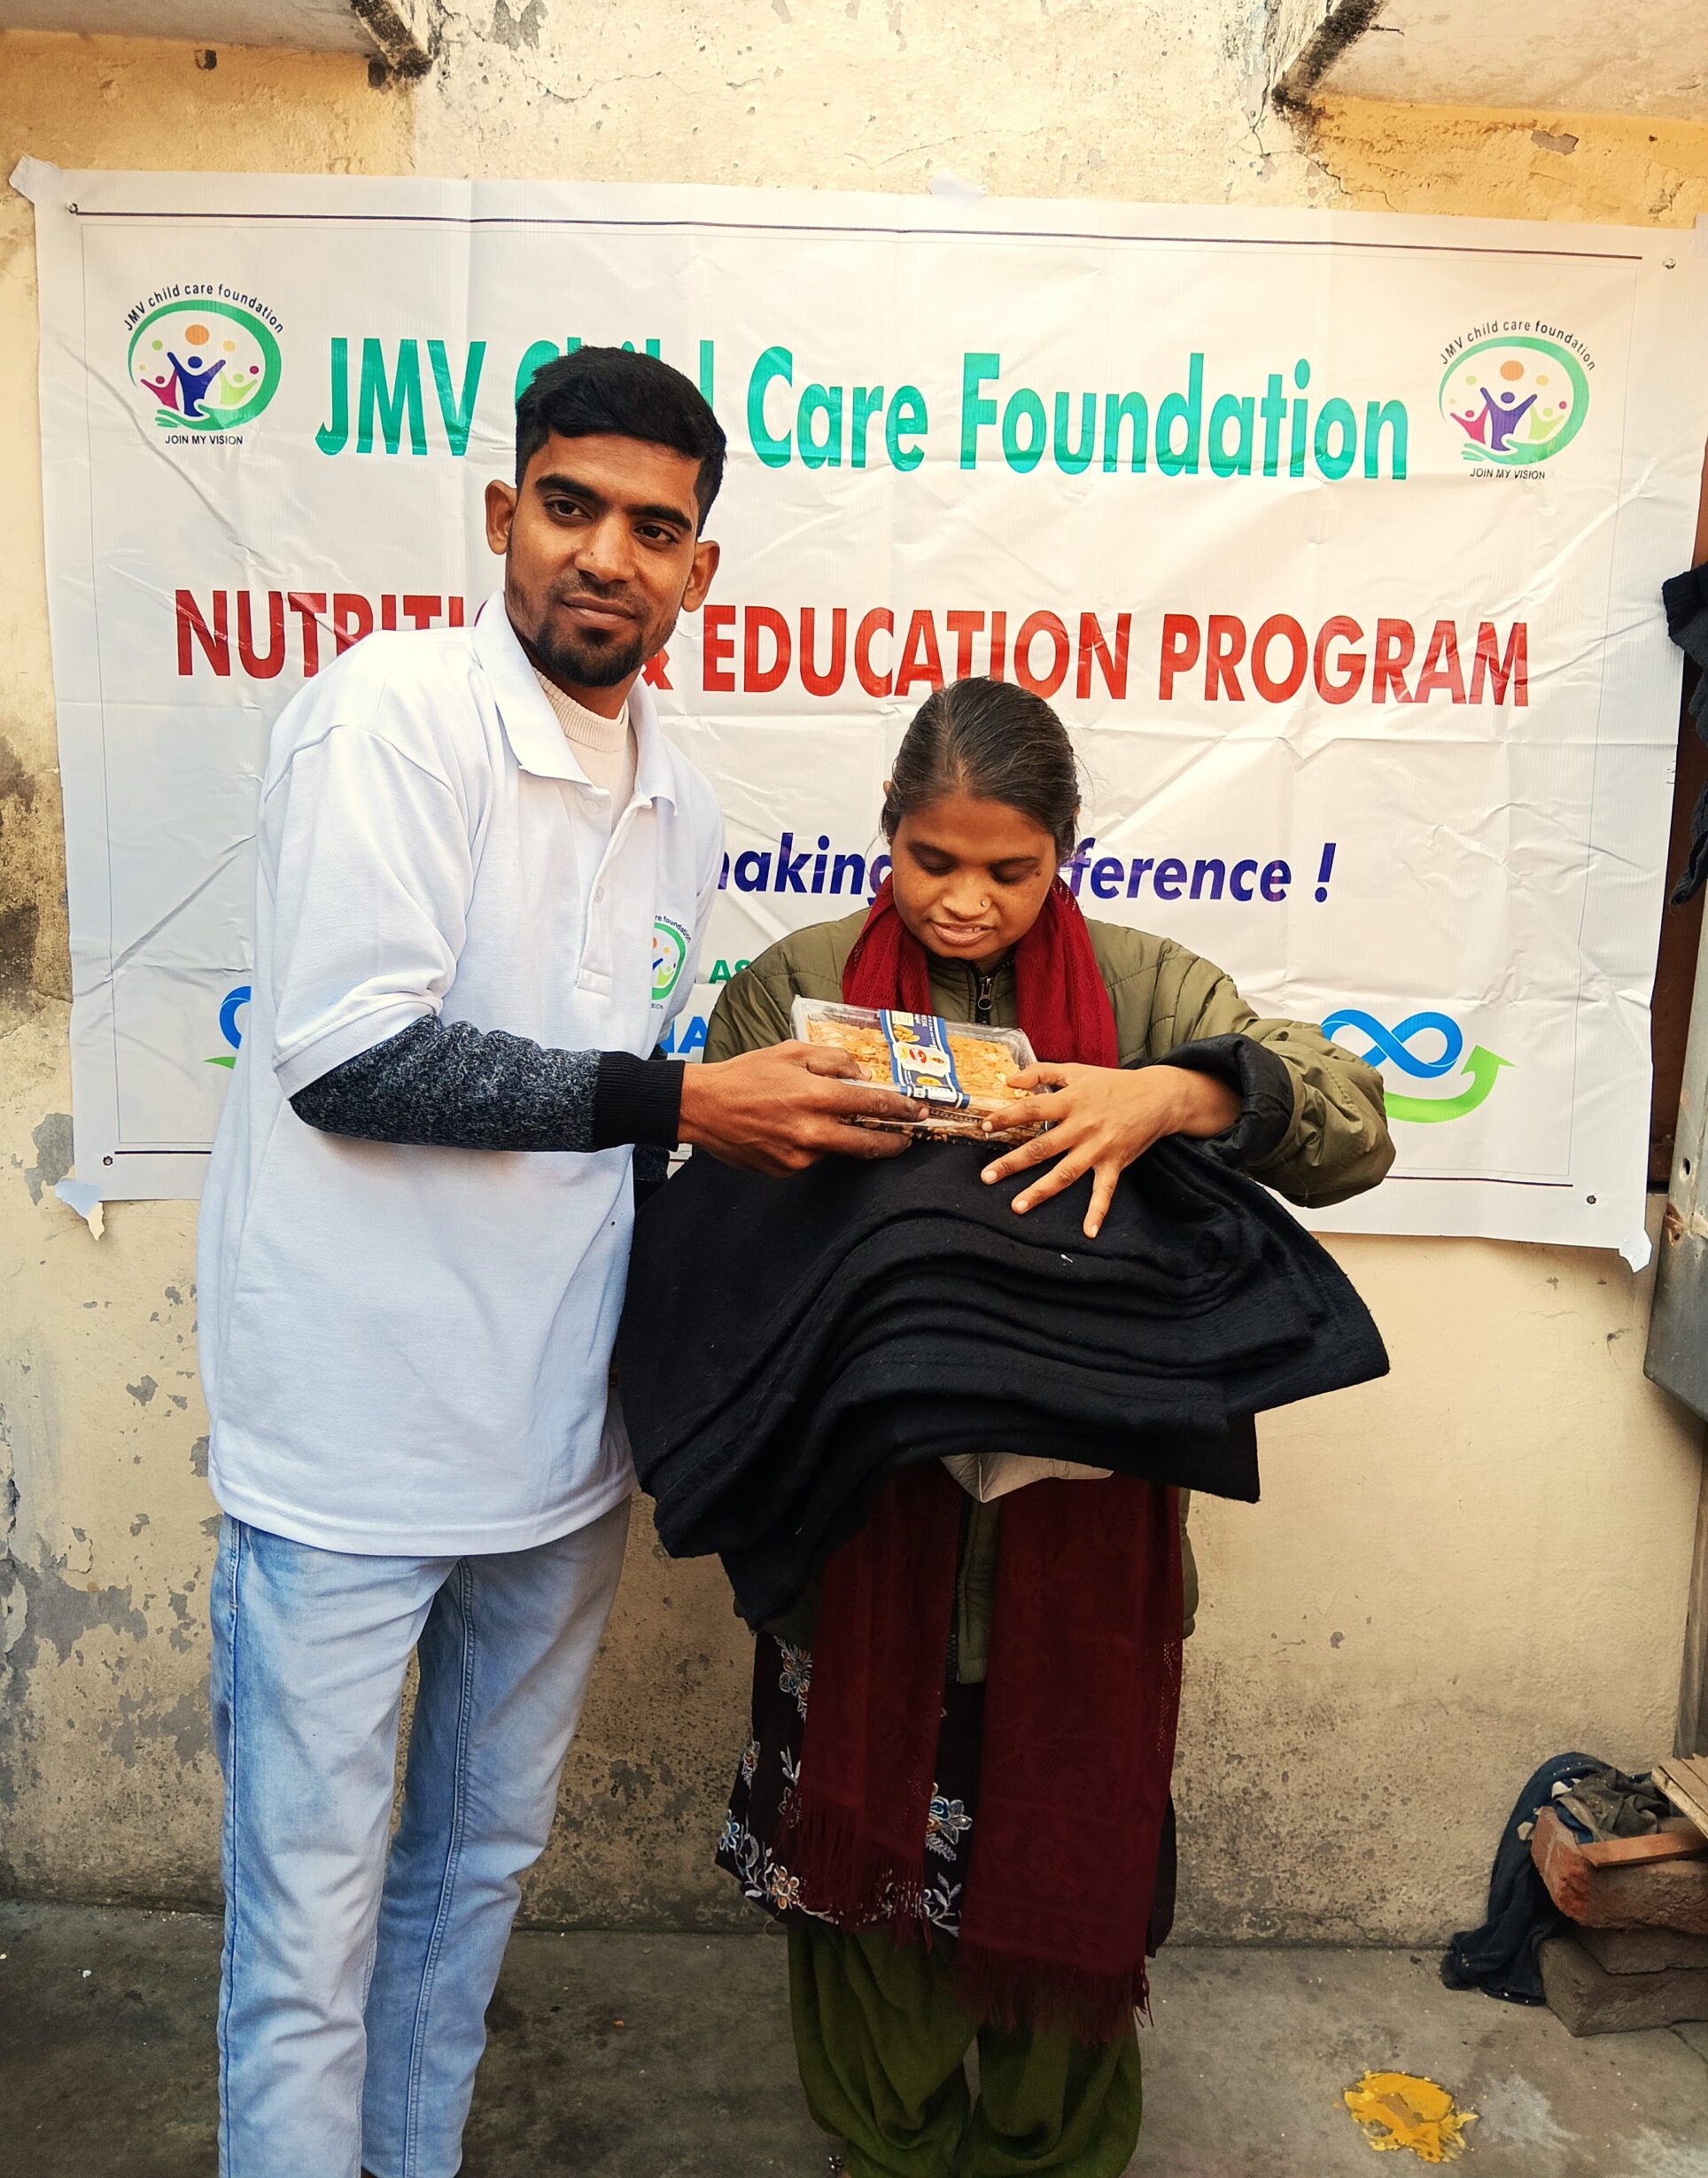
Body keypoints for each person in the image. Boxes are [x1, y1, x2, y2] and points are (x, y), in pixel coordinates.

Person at [196, 346, 920, 2178]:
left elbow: (629, 1111)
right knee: (313, 1913)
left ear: (701, 572)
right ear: (503, 516)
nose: (607, 554)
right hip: (349, 1442)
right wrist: (686, 1091)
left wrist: (842, 1117)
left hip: (549, 1441)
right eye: (573, 507)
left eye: (655, 527)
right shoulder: (392, 716)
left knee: (473, 1874)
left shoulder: (677, 795)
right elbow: (353, 1055)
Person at [704, 677, 1394, 2178]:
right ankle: (882, 2146)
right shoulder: (795, 983)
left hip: (1083, 1560)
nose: (964, 904)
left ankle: (1044, 2157)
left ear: (1066, 852)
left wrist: (1179, 1097)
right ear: (884, 837)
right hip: (857, 1542)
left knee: (1064, 1884)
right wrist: (821, 1165)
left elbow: (1356, 1129)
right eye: (931, 863)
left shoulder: (1150, 990)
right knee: (867, 1890)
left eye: (1009, 872)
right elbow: (715, 1249)